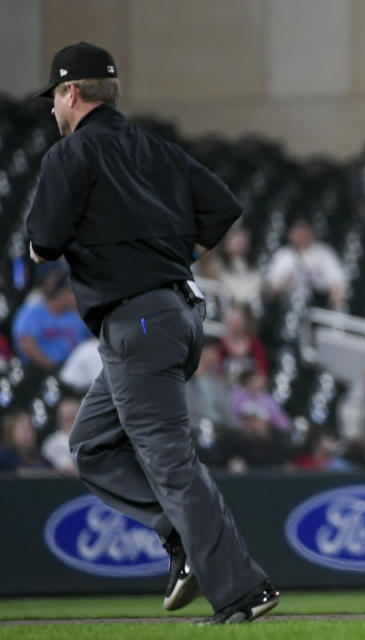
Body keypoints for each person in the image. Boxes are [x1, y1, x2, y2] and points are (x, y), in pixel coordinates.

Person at [24, 42, 276, 623]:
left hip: (138, 319)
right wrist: (164, 250)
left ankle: (242, 590)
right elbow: (222, 208)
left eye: (55, 98)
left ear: (72, 92)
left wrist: (132, 256)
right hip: (181, 315)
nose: (53, 110)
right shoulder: (153, 147)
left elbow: (42, 245)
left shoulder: (70, 155)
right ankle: (181, 537)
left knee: (170, 462)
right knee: (90, 443)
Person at [12, 270, 90, 372]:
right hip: (39, 372)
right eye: (69, 291)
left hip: (75, 370)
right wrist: (52, 368)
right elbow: (26, 344)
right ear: (62, 294)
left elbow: (92, 341)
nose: (73, 295)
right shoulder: (33, 311)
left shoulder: (74, 315)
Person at [264, 219, 346, 309]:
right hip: (288, 306)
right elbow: (271, 289)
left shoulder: (324, 253)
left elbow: (338, 282)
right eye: (298, 232)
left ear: (311, 233)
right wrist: (284, 283)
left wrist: (333, 304)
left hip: (318, 304)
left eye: (304, 232)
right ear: (291, 235)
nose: (301, 236)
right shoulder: (284, 255)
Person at [0, 409, 51, 474]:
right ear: (11, 432)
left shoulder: (37, 456)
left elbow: (55, 471)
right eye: (24, 430)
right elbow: (20, 472)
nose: (29, 434)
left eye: (31, 429)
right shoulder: (6, 454)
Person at [41, 396, 81, 474]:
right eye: (65, 415)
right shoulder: (51, 442)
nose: (68, 418)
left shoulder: (90, 440)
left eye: (72, 414)